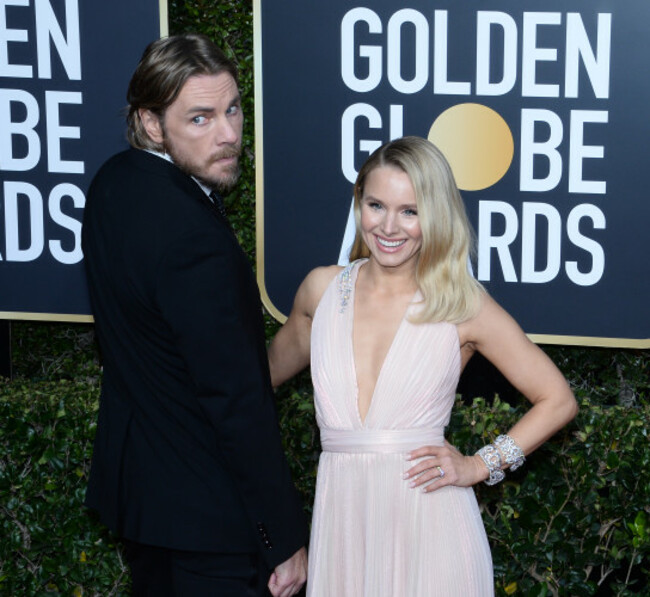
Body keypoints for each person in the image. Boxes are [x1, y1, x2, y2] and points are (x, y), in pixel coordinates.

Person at [269, 136, 578, 596]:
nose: (390, 226)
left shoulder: (461, 304)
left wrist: (480, 465)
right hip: (344, 530)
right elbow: (254, 384)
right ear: (358, 203)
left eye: (410, 211)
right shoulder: (321, 292)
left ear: (434, 214)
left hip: (431, 527)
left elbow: (558, 400)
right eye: (377, 205)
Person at [82, 34, 307, 596]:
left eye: (231, 109)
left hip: (143, 506)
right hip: (209, 524)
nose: (229, 134)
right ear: (152, 123)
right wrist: (282, 536)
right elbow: (233, 399)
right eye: (201, 119)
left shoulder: (113, 183)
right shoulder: (192, 236)